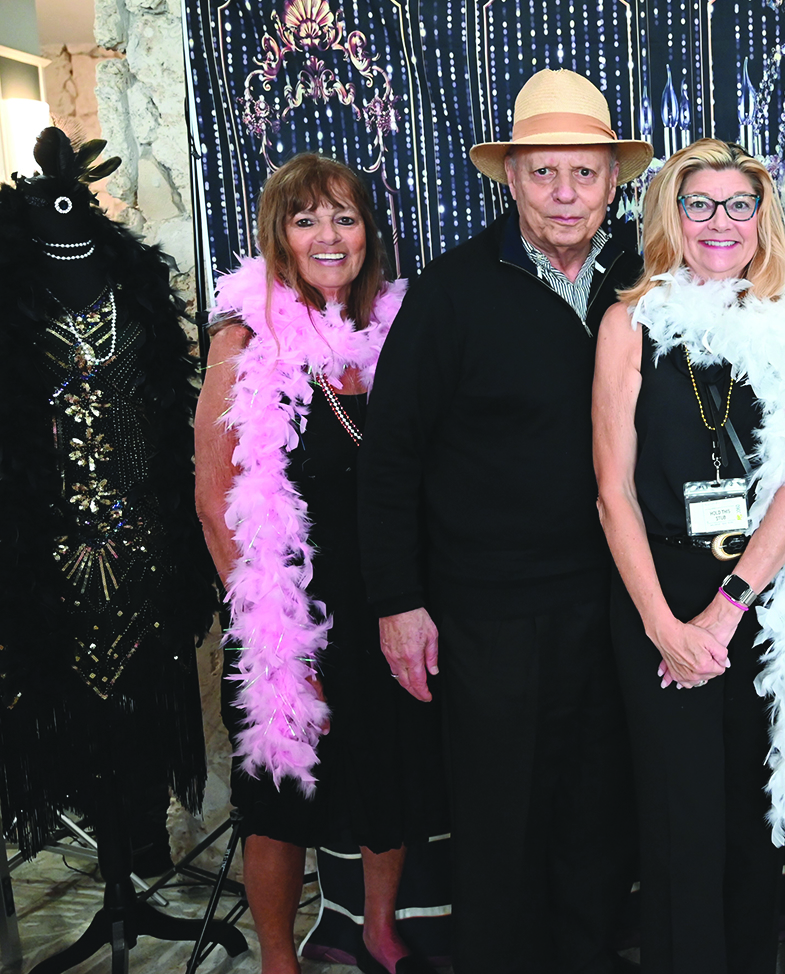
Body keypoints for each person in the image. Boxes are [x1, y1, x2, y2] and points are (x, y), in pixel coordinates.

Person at [358, 69, 651, 974]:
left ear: (612, 181)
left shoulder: (648, 280)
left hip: (620, 599)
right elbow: (390, 458)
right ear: (511, 178)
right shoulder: (450, 292)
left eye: (584, 173)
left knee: (600, 811)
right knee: (500, 820)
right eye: (543, 172)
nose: (565, 194)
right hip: (490, 610)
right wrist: (398, 601)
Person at [593, 138, 785, 974]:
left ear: (763, 219)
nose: (720, 222)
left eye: (738, 205)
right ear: (670, 217)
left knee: (751, 824)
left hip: (758, 594)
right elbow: (612, 492)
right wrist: (663, 625)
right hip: (656, 587)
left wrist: (724, 613)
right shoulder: (628, 323)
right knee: (678, 824)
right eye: (699, 204)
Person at [196, 152, 443, 974]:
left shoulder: (396, 334)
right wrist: (274, 636)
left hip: (384, 596)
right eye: (306, 220)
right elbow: (215, 500)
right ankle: (278, 956)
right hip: (285, 609)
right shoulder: (243, 341)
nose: (328, 236)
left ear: (369, 231)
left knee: (386, 775)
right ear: (280, 236)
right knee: (280, 796)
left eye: (344, 216)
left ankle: (378, 930)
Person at [0, 128, 218, 869]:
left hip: (146, 536)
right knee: (66, 695)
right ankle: (105, 851)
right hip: (44, 541)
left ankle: (144, 841)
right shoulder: (9, 285)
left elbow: (166, 407)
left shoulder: (135, 281)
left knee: (148, 691)